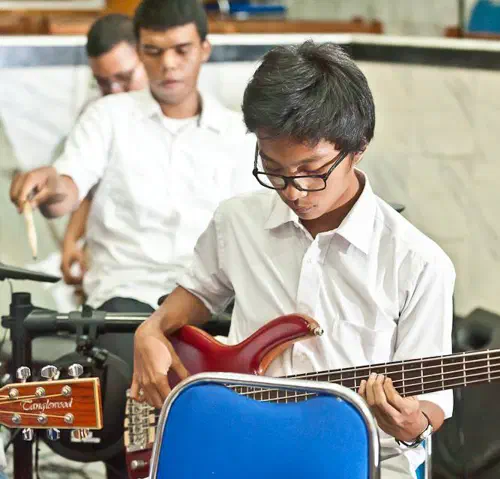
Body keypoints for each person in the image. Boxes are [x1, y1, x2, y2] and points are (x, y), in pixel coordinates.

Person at [130, 41, 456, 478]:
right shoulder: (237, 222)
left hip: (362, 456)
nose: (293, 190)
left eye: (313, 170)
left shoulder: (418, 263)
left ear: (358, 147)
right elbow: (196, 295)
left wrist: (410, 424)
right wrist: (151, 330)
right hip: (242, 442)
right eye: (274, 169)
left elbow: (430, 407)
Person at [9, 0, 258, 477]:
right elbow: (68, 187)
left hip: (211, 308)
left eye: (181, 50)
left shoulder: (236, 134)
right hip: (124, 304)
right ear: (140, 52)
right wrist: (47, 185)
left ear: (204, 49)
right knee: (129, 397)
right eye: (154, 51)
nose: (168, 64)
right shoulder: (109, 117)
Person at [61, 13, 149, 291]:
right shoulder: (95, 114)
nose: (114, 91)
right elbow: (86, 185)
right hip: (119, 267)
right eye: (103, 82)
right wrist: (71, 241)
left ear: (146, 56)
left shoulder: (182, 109)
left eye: (124, 77)